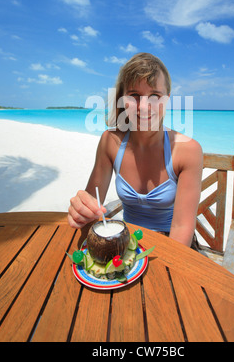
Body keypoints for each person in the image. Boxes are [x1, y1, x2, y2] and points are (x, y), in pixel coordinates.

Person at [68, 52, 203, 249]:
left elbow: (182, 226)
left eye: (155, 96)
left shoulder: (188, 150)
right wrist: (81, 209)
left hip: (174, 247)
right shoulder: (110, 142)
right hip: (126, 242)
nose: (144, 106)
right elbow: (91, 203)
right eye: (134, 96)